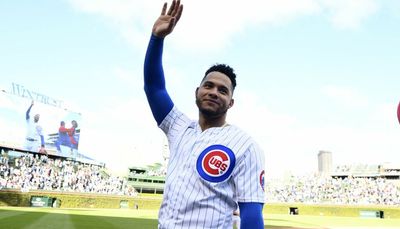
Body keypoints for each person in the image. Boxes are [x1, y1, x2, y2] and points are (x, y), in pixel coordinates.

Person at [143, 1, 265, 228]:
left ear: (231, 103)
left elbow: (251, 214)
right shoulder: (178, 127)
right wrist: (156, 39)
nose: (214, 92)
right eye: (208, 86)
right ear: (197, 92)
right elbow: (154, 87)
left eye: (223, 90)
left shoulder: (246, 145)